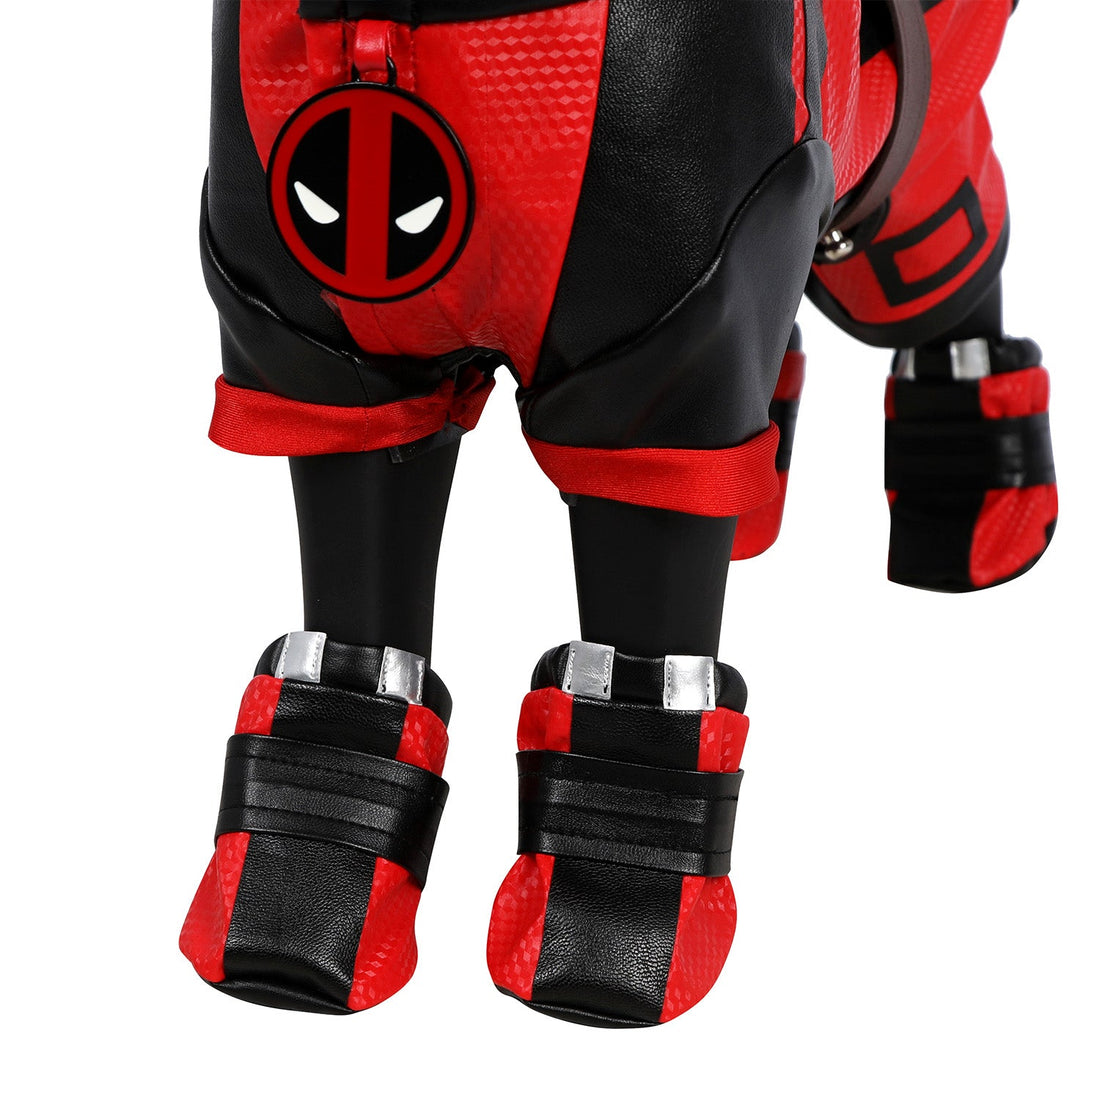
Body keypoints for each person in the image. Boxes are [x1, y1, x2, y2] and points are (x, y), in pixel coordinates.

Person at [180, 0, 1055, 1026]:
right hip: (333, 60)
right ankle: (341, 745)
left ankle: (958, 389)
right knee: (358, 369)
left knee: (878, 253)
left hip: (651, 81)